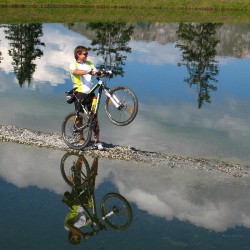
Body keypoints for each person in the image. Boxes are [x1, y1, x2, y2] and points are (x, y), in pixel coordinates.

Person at [69, 45, 103, 150]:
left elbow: (96, 73)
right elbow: (76, 72)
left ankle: (97, 141)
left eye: (87, 53)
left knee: (94, 117)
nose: (87, 55)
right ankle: (81, 138)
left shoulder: (89, 64)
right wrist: (88, 72)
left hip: (91, 94)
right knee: (79, 117)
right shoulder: (73, 65)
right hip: (79, 94)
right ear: (78, 54)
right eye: (85, 53)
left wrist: (104, 73)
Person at [63, 156, 99, 245]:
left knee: (77, 177)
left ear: (72, 236)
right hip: (85, 202)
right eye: (79, 239)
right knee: (92, 179)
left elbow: (70, 226)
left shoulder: (67, 227)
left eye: (77, 238)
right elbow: (90, 216)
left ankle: (80, 155)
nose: (79, 237)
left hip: (76, 202)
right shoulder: (83, 224)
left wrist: (82, 234)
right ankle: (96, 157)